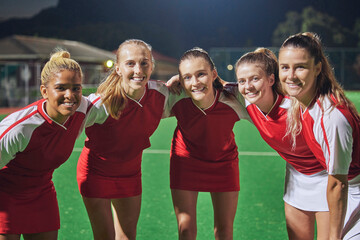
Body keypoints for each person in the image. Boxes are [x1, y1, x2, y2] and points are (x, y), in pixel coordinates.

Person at [233, 47, 330, 239]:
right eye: (242, 81)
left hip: (328, 178)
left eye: (255, 79)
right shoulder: (247, 103)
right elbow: (212, 86)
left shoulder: (298, 106)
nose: (248, 86)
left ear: (271, 79)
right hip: (296, 177)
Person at [77, 39, 169, 240]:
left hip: (130, 173)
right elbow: (66, 124)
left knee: (128, 237)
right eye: (130, 63)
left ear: (152, 66)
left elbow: (197, 91)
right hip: (96, 174)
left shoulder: (161, 94)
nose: (138, 69)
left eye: (144, 63)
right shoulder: (102, 104)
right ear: (118, 68)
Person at [279, 32, 360, 240]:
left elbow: (337, 184)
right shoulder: (303, 98)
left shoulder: (331, 117)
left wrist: (334, 237)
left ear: (317, 69)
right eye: (285, 67)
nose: (291, 75)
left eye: (301, 67)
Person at [0, 50, 88, 240]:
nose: (70, 95)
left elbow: (116, 99)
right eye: (61, 87)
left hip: (41, 192)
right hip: (5, 194)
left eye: (76, 88)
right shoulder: (21, 128)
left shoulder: (83, 109)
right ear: (44, 91)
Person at [164, 47, 250, 240]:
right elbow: (143, 105)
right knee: (186, 230)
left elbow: (267, 108)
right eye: (187, 77)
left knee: (224, 230)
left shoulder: (234, 99)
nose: (195, 83)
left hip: (223, 163)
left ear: (213, 74)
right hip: (185, 162)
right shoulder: (176, 97)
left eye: (201, 74)